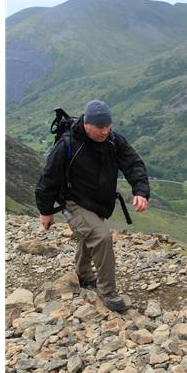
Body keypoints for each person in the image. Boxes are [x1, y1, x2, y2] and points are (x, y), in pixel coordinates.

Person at [34, 99, 150, 311]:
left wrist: (140, 191)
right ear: (87, 124)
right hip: (73, 202)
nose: (105, 131)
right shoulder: (67, 145)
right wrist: (45, 211)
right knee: (101, 237)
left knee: (89, 235)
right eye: (100, 127)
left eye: (108, 126)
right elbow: (47, 179)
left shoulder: (113, 140)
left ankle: (84, 275)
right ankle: (108, 292)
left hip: (97, 202)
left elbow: (133, 164)